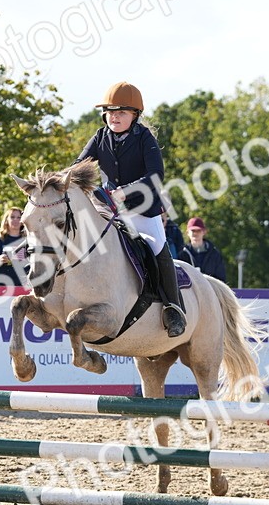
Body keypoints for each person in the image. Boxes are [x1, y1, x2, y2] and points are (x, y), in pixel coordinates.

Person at [75, 81, 186, 336]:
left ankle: (173, 307)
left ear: (135, 115)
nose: (114, 117)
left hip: (142, 209)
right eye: (111, 112)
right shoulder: (99, 136)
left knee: (157, 247)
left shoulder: (145, 138)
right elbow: (79, 165)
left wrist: (126, 190)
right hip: (109, 210)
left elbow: (156, 175)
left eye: (121, 112)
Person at [0, 207, 26, 287]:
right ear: (6, 220)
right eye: (12, 217)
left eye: (19, 217)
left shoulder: (29, 239)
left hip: (23, 287)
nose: (16, 220)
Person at [179, 217, 228, 283]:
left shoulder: (214, 255)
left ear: (204, 232)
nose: (195, 233)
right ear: (187, 232)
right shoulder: (182, 255)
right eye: (193, 231)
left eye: (198, 230)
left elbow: (221, 280)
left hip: (211, 291)